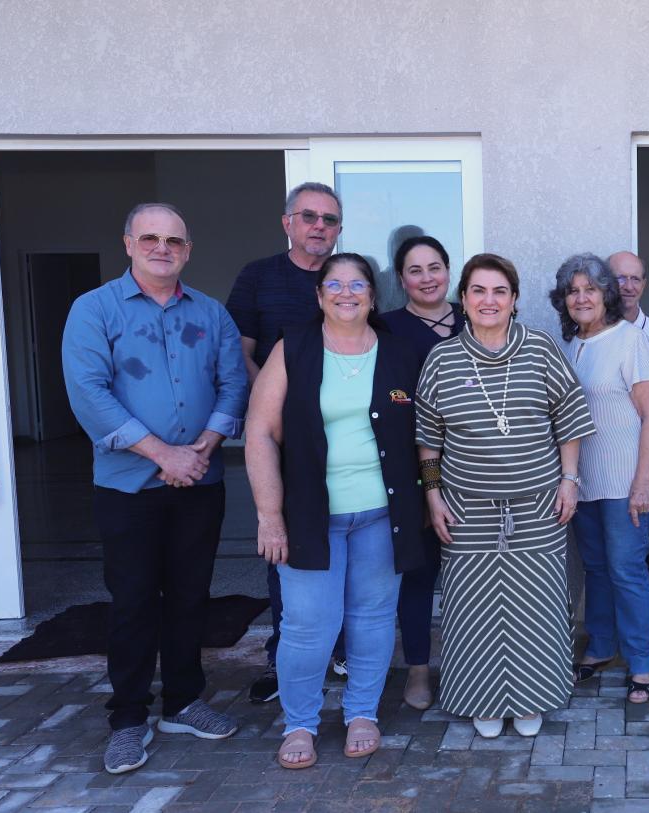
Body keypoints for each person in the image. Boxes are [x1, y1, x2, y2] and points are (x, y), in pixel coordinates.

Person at [62, 202, 247, 774]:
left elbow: (234, 383)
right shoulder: (93, 311)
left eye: (173, 240)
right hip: (126, 488)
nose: (162, 248)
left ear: (188, 250)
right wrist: (162, 453)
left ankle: (184, 701)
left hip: (201, 479)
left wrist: (201, 450)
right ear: (128, 244)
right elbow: (89, 391)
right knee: (135, 602)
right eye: (150, 238)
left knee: (192, 596)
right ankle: (127, 718)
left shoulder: (212, 314)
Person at [245, 253, 426, 769]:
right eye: (335, 284)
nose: (347, 293)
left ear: (373, 294)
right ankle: (300, 723)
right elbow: (258, 432)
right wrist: (268, 514)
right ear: (320, 295)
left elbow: (424, 433)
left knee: (371, 619)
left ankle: (362, 712)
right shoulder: (293, 348)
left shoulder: (396, 351)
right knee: (308, 626)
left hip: (380, 514)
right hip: (308, 515)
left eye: (358, 284)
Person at [416, 253, 596, 738]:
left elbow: (571, 419)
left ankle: (533, 696)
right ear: (465, 299)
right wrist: (434, 497)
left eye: (500, 291)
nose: (489, 300)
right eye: (478, 291)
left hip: (538, 506)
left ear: (514, 300)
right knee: (472, 609)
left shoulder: (539, 350)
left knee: (535, 606)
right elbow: (428, 438)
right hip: (467, 511)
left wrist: (570, 480)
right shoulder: (442, 359)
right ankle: (483, 699)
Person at [226, 182, 345, 704]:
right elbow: (241, 351)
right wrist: (272, 406)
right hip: (283, 436)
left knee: (348, 547)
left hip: (345, 436)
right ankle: (285, 660)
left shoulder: (352, 278)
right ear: (288, 223)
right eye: (310, 216)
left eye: (330, 220)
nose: (320, 226)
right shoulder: (258, 277)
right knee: (286, 550)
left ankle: (340, 652)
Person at [550, 253, 649, 704]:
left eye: (590, 290)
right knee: (596, 569)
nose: (581, 298)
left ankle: (642, 664)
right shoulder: (570, 346)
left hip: (627, 483)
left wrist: (643, 483)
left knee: (626, 571)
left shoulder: (628, 341)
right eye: (573, 291)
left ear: (607, 296)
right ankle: (600, 647)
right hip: (585, 481)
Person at [379, 235, 464, 711]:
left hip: (478, 469)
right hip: (412, 469)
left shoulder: (477, 318)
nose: (427, 278)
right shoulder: (386, 328)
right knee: (418, 573)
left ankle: (471, 664)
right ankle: (417, 669)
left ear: (449, 271)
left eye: (435, 267)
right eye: (415, 270)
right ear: (401, 278)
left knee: (471, 575)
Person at [607, 250, 649, 654]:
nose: (628, 287)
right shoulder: (584, 334)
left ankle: (642, 637)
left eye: (635, 279)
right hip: (600, 462)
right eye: (619, 278)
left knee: (642, 551)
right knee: (605, 558)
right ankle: (611, 634)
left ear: (645, 284)